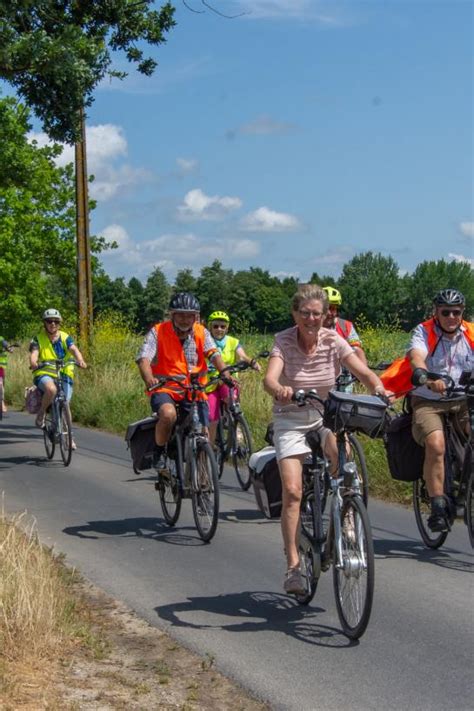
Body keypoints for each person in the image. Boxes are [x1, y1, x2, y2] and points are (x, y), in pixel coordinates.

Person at [263, 284, 388, 596]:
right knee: (292, 492)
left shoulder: (333, 339)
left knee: (342, 464)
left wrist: (378, 388)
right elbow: (269, 377)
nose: (311, 318)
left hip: (323, 416)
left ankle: (346, 519)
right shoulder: (283, 340)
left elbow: (362, 371)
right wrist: (279, 389)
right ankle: (293, 567)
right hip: (290, 419)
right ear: (295, 314)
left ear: (325, 315)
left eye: (317, 313)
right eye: (304, 313)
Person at [136, 293, 233, 470]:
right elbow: (144, 359)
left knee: (203, 433)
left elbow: (213, 353)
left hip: (195, 389)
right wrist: (149, 378)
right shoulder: (158, 331)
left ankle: (203, 478)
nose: (185, 319)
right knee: (168, 414)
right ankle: (158, 451)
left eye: (190, 315)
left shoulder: (201, 332)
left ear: (196, 317)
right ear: (172, 315)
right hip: (166, 387)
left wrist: (225, 372)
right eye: (180, 314)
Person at [406, 289, 473, 532]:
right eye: (446, 312)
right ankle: (436, 505)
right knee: (436, 444)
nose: (452, 317)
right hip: (429, 401)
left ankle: (466, 486)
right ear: (436, 312)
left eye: (457, 312)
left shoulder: (470, 333)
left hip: (464, 400)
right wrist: (426, 378)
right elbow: (416, 357)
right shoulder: (423, 331)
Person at [29, 309, 87, 449]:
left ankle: (69, 437)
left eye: (56, 321)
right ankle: (41, 413)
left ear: (59, 323)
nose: (53, 324)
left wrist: (80, 360)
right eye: (49, 321)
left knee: (65, 403)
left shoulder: (65, 337)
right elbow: (34, 354)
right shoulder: (37, 338)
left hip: (64, 373)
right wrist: (34, 362)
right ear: (45, 323)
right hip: (44, 372)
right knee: (51, 389)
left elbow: (74, 349)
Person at [205, 310, 261, 444]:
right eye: (216, 326)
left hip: (227, 379)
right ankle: (210, 449)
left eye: (223, 326)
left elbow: (242, 355)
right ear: (210, 327)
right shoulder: (205, 342)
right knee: (211, 416)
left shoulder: (232, 341)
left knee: (230, 398)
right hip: (210, 382)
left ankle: (236, 426)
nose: (219, 329)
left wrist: (252, 362)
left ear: (227, 327)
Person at [322, 286, 367, 365]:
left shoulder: (345, 325)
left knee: (357, 349)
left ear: (336, 310)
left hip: (344, 366)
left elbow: (357, 349)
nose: (329, 313)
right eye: (326, 308)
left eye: (332, 308)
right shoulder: (310, 327)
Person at [0, 337, 15, 413]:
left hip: (0, 367)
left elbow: (5, 344)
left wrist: (9, 348)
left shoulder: (1, 339)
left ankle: (2, 403)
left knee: (1, 384)